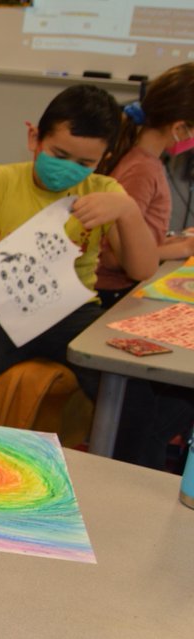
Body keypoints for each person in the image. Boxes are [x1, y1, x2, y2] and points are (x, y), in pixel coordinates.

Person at [0, 84, 158, 421]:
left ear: (103, 160)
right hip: (0, 307)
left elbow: (142, 270)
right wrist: (27, 244)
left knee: (130, 389)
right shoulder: (1, 180)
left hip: (71, 312)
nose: (69, 167)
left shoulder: (104, 191)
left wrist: (128, 211)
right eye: (59, 155)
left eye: (85, 162)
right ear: (35, 138)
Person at [96, 65, 194, 469]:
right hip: (116, 297)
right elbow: (119, 255)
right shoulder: (142, 168)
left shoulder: (143, 161)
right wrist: (181, 246)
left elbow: (140, 240)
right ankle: (143, 459)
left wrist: (175, 242)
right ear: (179, 128)